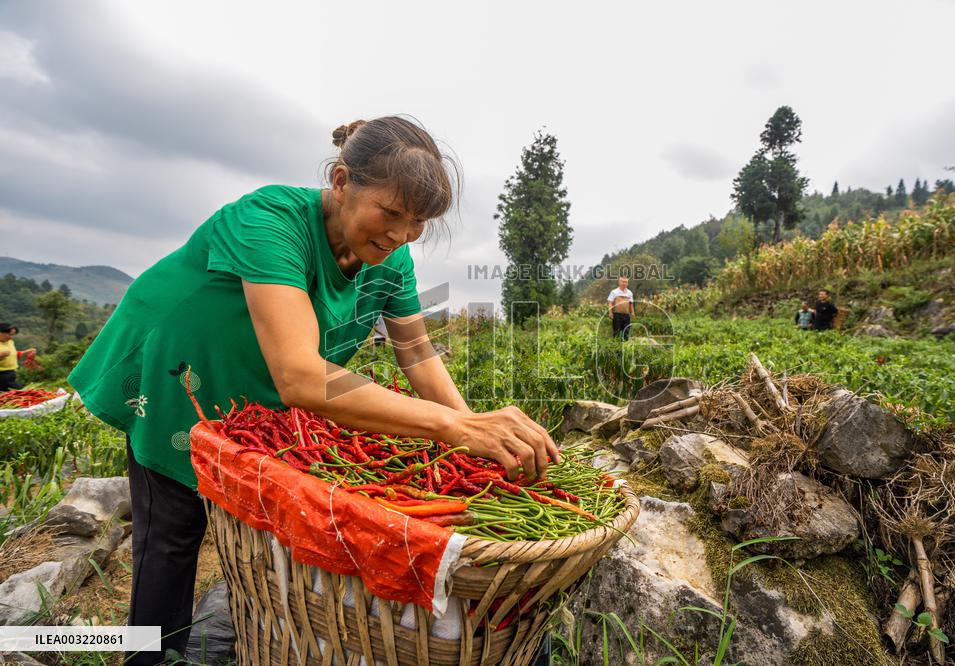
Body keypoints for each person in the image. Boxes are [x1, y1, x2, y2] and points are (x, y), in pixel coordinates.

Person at [67, 117, 559, 665]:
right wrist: (453, 427)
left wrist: (474, 430)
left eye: (417, 222)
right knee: (174, 535)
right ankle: (145, 656)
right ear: (342, 181)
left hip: (258, 386)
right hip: (179, 367)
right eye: (391, 213)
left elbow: (417, 353)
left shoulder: (391, 257)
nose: (401, 234)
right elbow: (302, 375)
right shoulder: (269, 219)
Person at [0, 323, 36, 391]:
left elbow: (13, 355)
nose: (10, 337)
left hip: (11, 373)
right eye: (9, 334)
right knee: (20, 393)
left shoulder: (10, 342)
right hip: (2, 375)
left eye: (12, 335)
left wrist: (25, 352)